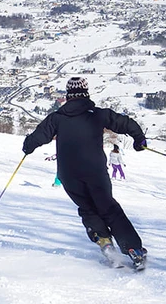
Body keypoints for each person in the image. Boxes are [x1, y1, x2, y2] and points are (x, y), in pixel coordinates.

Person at [22, 77, 148, 270]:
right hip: (95, 171)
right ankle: (133, 249)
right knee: (108, 208)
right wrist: (139, 140)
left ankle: (105, 243)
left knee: (88, 208)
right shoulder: (98, 115)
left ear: (68, 95)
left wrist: (28, 147)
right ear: (86, 93)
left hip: (68, 174)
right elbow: (126, 123)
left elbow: (38, 137)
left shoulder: (57, 118)